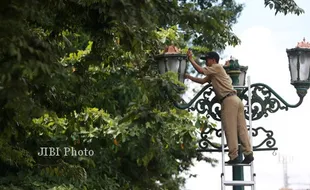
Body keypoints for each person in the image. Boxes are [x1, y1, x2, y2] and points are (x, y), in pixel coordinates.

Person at [185, 50, 254, 164]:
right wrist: (189, 77)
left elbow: (201, 71)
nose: (206, 62)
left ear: (212, 60)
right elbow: (202, 81)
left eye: (207, 60)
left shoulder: (216, 67)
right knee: (241, 128)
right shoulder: (214, 72)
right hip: (236, 99)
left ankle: (233, 157)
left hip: (228, 101)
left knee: (230, 129)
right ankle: (248, 153)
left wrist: (191, 59)